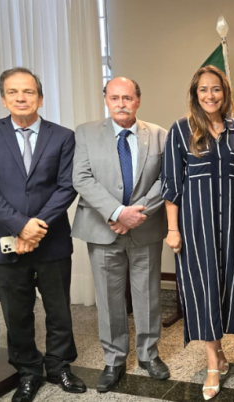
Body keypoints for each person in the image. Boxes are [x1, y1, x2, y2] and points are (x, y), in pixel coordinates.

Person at [0, 67, 85, 402]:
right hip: (7, 241)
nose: (21, 98)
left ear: (41, 98)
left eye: (29, 91)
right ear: (4, 99)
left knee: (58, 309)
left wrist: (35, 227)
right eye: (13, 92)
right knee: (16, 312)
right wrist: (20, 225)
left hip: (52, 238)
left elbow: (67, 186)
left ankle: (59, 366)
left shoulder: (62, 136)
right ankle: (28, 372)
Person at [163, 65, 234, 400]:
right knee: (203, 290)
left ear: (225, 93)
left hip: (233, 226)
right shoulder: (180, 130)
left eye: (215, 89)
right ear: (195, 94)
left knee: (226, 289)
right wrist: (172, 229)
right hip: (195, 227)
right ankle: (213, 363)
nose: (210, 95)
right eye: (203, 89)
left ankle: (220, 352)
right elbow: (172, 184)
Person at [72, 77, 170, 392]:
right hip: (103, 228)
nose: (121, 103)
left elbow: (167, 179)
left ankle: (148, 354)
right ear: (106, 99)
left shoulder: (159, 135)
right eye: (114, 97)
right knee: (109, 298)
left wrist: (135, 215)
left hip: (145, 227)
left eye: (127, 97)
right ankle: (114, 359)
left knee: (148, 295)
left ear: (138, 100)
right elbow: (82, 178)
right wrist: (117, 213)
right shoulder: (86, 133)